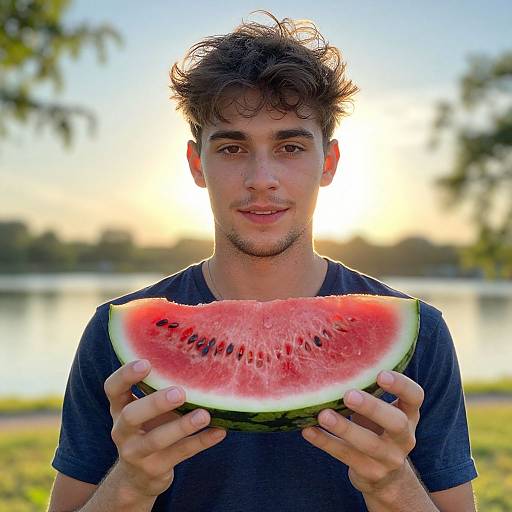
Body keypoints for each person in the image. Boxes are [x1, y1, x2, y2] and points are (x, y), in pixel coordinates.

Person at [48, 11, 478, 512]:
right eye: (232, 148)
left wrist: (391, 486)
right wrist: (132, 483)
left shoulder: (419, 333)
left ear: (329, 163)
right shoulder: (113, 335)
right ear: (196, 165)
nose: (261, 177)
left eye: (290, 146)